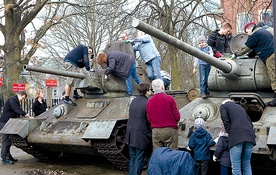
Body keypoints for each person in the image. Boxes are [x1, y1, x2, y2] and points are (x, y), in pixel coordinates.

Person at [232, 22, 276, 106]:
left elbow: (246, 47)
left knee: (273, 76)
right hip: (273, 53)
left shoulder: (255, 34)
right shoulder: (263, 31)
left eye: (246, 32)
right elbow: (256, 48)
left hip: (270, 56)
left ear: (249, 29)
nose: (247, 34)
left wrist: (235, 54)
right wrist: (249, 56)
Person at [220, 99, 256, 175]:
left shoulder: (223, 106)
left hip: (236, 138)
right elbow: (250, 122)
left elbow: (225, 119)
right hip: (250, 137)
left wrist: (230, 132)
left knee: (236, 166)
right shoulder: (240, 107)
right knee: (246, 165)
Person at [125, 82, 152, 175]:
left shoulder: (134, 101)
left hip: (130, 133)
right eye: (150, 90)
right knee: (139, 157)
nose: (151, 92)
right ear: (146, 91)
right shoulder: (148, 102)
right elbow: (149, 119)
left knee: (132, 157)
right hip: (141, 134)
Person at [146, 79, 180, 150]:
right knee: (172, 154)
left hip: (156, 131)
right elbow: (177, 117)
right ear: (162, 87)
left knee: (158, 154)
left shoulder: (149, 102)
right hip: (170, 130)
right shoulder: (170, 99)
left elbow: (149, 118)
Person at [0, 91, 30, 165]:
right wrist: (24, 114)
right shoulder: (13, 99)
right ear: (19, 95)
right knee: (6, 141)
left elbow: (15, 113)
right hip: (5, 123)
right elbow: (16, 109)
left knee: (9, 141)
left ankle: (8, 156)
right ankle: (4, 158)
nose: (22, 100)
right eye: (22, 98)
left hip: (9, 123)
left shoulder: (15, 100)